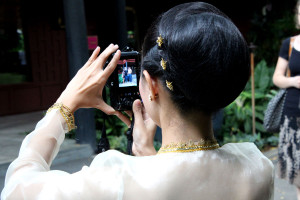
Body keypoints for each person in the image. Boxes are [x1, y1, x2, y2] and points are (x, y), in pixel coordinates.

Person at [1, 2, 274, 199]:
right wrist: (146, 154)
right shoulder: (257, 167)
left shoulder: (117, 179)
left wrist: (65, 104)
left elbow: (16, 188)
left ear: (151, 84)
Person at [273, 1, 300, 199]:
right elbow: (277, 77)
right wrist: (294, 81)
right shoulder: (289, 44)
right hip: (293, 116)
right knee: (298, 173)